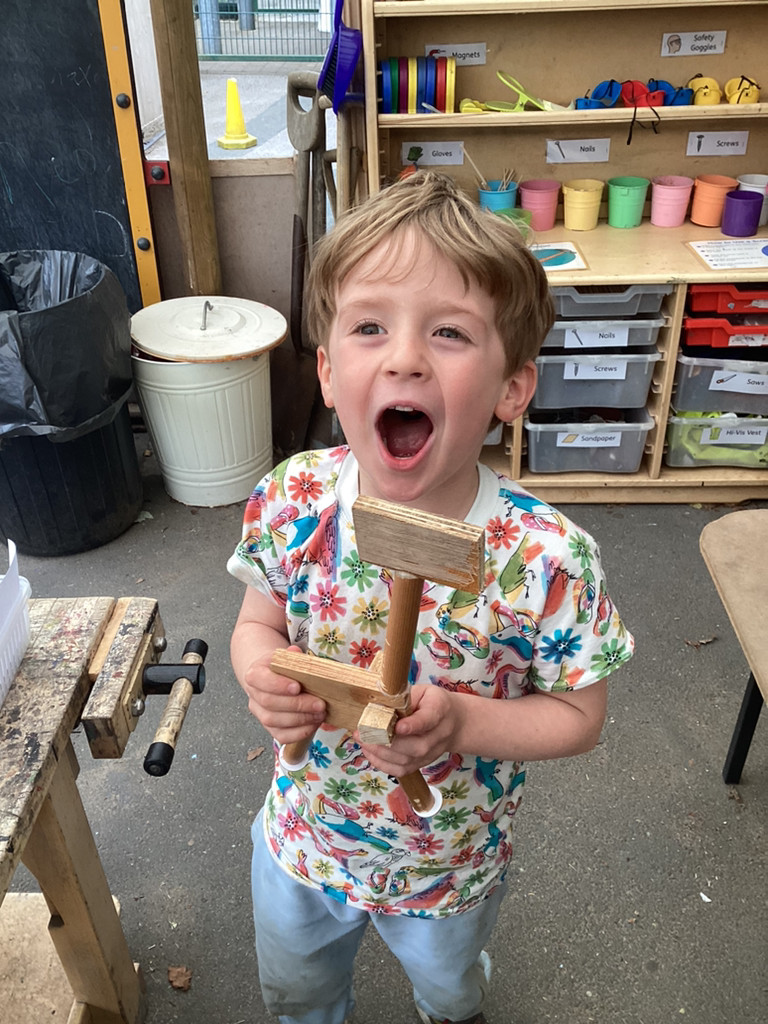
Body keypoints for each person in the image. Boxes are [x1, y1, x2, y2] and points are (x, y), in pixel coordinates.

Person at [228, 171, 634, 1024]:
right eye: (369, 326)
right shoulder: (294, 499)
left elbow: (580, 718)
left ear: (512, 389)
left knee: (450, 993)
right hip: (307, 837)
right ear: (329, 372)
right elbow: (258, 621)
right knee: (298, 990)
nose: (405, 357)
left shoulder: (547, 559)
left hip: (449, 862)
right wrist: (262, 674)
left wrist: (461, 724)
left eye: (449, 332)